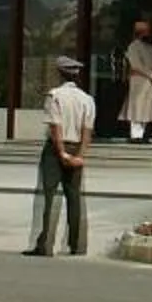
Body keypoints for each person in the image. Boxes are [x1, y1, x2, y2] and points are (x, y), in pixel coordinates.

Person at [27, 55, 94, 256]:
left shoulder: (54, 95)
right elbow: (87, 130)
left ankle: (44, 244)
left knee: (48, 196)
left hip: (56, 151)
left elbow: (56, 126)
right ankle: (76, 244)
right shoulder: (87, 99)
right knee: (74, 197)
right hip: (77, 148)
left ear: (59, 74)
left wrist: (62, 152)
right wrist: (80, 155)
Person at [121, 19, 152, 144]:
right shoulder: (133, 46)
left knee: (147, 109)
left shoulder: (150, 47)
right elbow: (135, 65)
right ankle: (135, 135)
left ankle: (142, 134)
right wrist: (150, 74)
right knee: (137, 108)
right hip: (139, 81)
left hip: (150, 83)